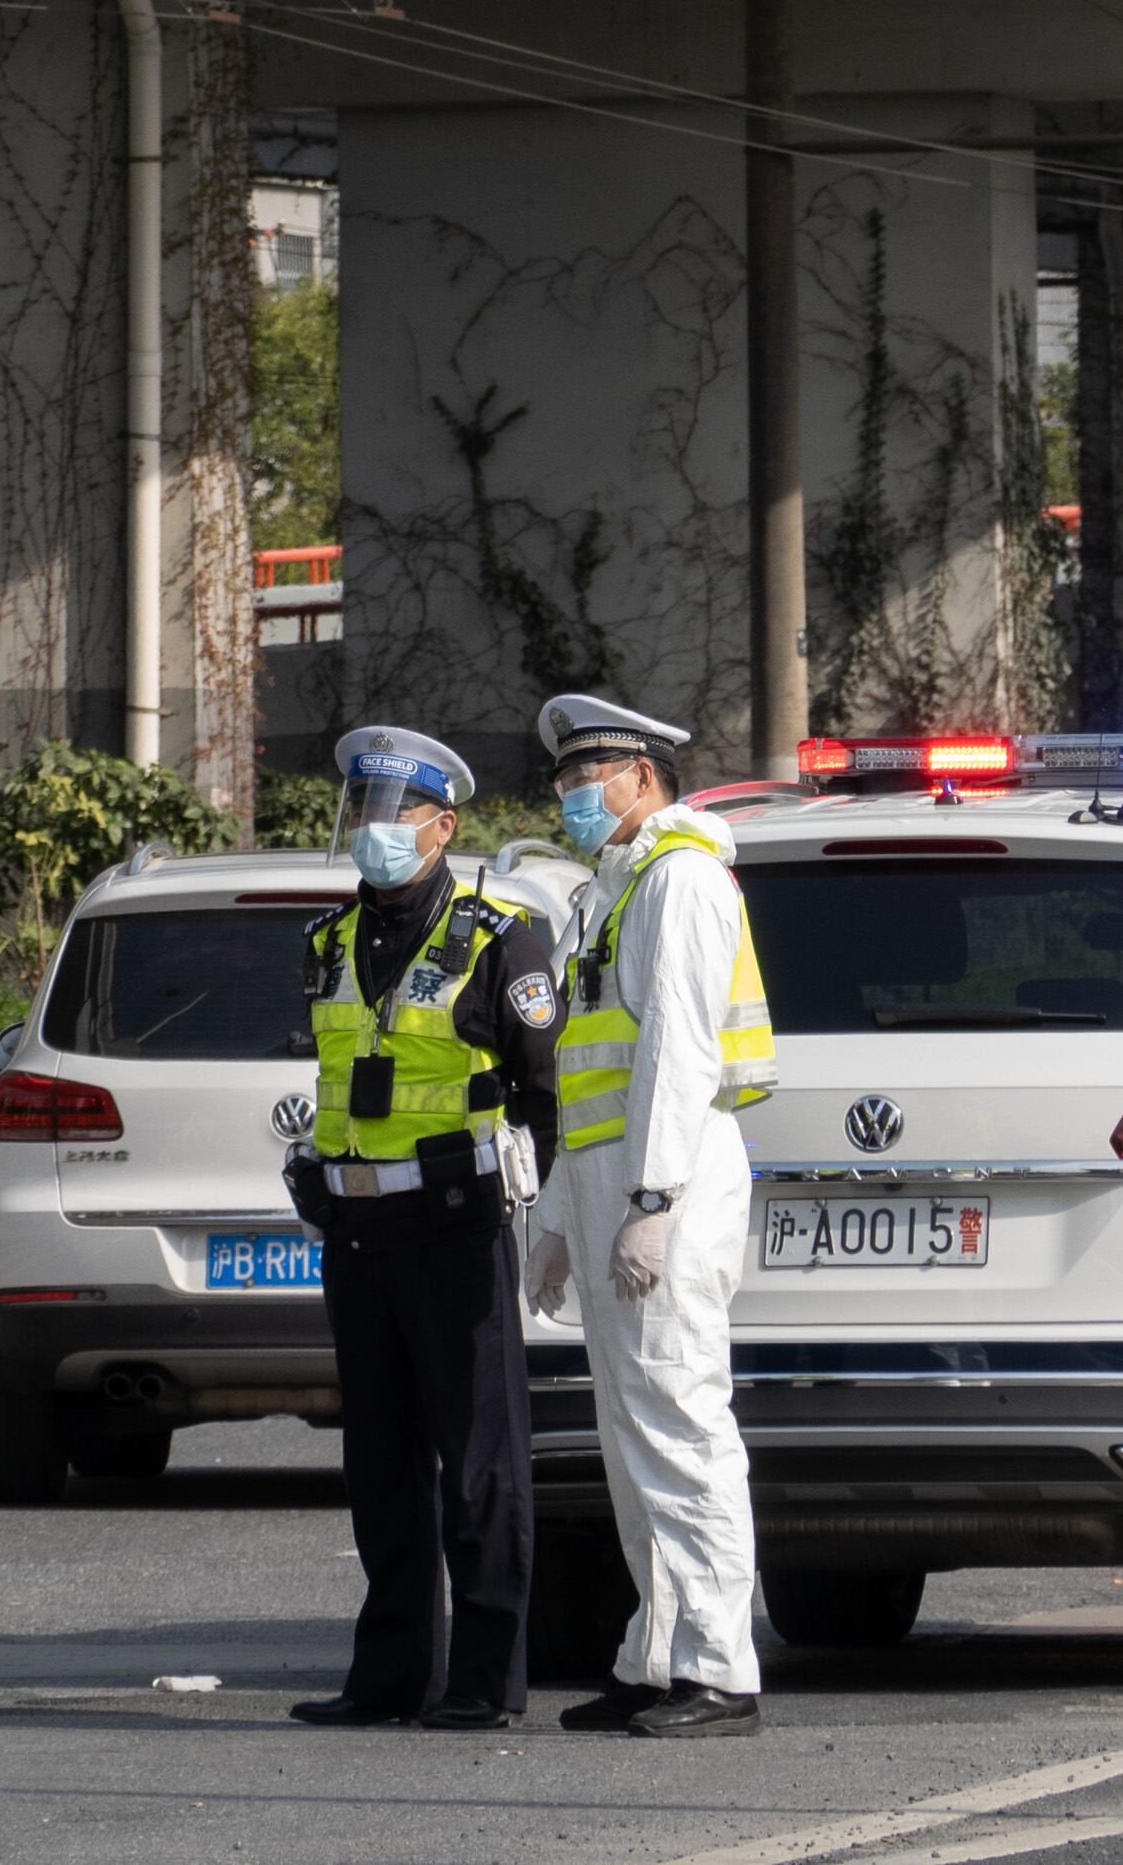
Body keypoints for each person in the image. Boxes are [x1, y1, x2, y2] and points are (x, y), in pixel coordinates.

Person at [282, 724, 563, 1731]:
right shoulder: (325, 944)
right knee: (382, 1462)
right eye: (359, 810)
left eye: (389, 813)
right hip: (357, 1233)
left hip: (454, 1227)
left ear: (441, 827)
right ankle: (388, 1677)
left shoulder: (499, 939)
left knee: (479, 1461)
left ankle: (484, 1683)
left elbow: (542, 1093)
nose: (370, 831)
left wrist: (542, 1207)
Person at [523, 693, 776, 1739]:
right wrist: (552, 1218)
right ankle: (657, 1654)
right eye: (565, 781)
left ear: (644, 776)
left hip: (663, 1180)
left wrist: (653, 1203)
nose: (575, 795)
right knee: (632, 1437)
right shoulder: (610, 891)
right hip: (609, 1181)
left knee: (679, 1424)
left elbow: (680, 1053)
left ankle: (719, 1668)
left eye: (592, 777)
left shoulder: (677, 882)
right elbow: (586, 1071)